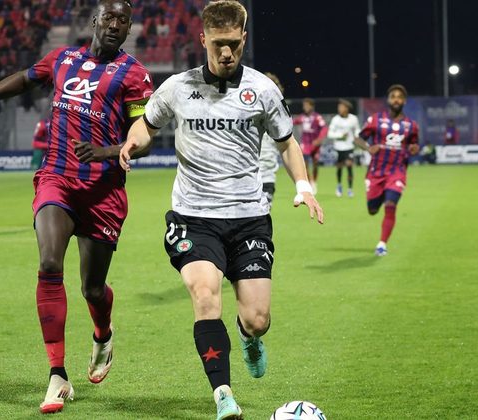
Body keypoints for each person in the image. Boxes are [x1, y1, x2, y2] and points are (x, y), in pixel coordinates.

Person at [119, 2, 324, 418]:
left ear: (244, 39)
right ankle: (223, 395)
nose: (226, 53)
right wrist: (132, 141)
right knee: (205, 294)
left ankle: (249, 338)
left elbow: (287, 143)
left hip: (249, 216)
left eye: (233, 44)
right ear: (203, 40)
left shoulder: (263, 90)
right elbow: (147, 122)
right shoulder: (178, 86)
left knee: (258, 317)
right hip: (193, 216)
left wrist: (303, 186)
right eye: (218, 44)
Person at [0, 0, 154, 414]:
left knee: (92, 287)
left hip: (103, 189)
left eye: (124, 20)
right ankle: (57, 375)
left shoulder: (134, 74)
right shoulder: (63, 58)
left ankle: (103, 334)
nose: (116, 24)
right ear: (95, 21)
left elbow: (144, 131)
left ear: (129, 27)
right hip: (57, 178)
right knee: (49, 264)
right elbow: (25, 78)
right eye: (110, 17)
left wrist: (112, 149)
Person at [354, 84, 420, 256]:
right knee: (373, 210)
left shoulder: (411, 125)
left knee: (391, 205)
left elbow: (414, 144)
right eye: (393, 96)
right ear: (388, 100)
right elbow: (358, 139)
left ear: (404, 101)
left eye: (400, 96)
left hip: (397, 172)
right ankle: (382, 194)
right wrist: (368, 148)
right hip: (376, 172)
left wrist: (414, 148)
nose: (396, 99)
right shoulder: (376, 119)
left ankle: (382, 244)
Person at [260, 72, 284, 204]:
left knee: (263, 219)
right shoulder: (243, 113)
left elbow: (288, 146)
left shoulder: (281, 117)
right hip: (243, 179)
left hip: (267, 176)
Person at [293, 98, 327, 193]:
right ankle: (310, 183)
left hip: (315, 144)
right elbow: (292, 122)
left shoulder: (317, 117)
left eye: (307, 105)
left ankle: (314, 181)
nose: (305, 107)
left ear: (312, 106)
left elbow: (324, 128)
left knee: (315, 164)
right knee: (305, 165)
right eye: (304, 106)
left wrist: (319, 139)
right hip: (305, 144)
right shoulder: (302, 117)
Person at [327, 99, 359, 198]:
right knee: (339, 167)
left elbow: (357, 129)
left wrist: (357, 135)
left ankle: (350, 189)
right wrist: (340, 135)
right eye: (339, 107)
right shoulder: (335, 119)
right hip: (338, 147)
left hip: (349, 146)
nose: (339, 109)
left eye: (341, 107)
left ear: (346, 108)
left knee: (349, 165)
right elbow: (329, 134)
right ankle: (339, 185)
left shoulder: (353, 119)